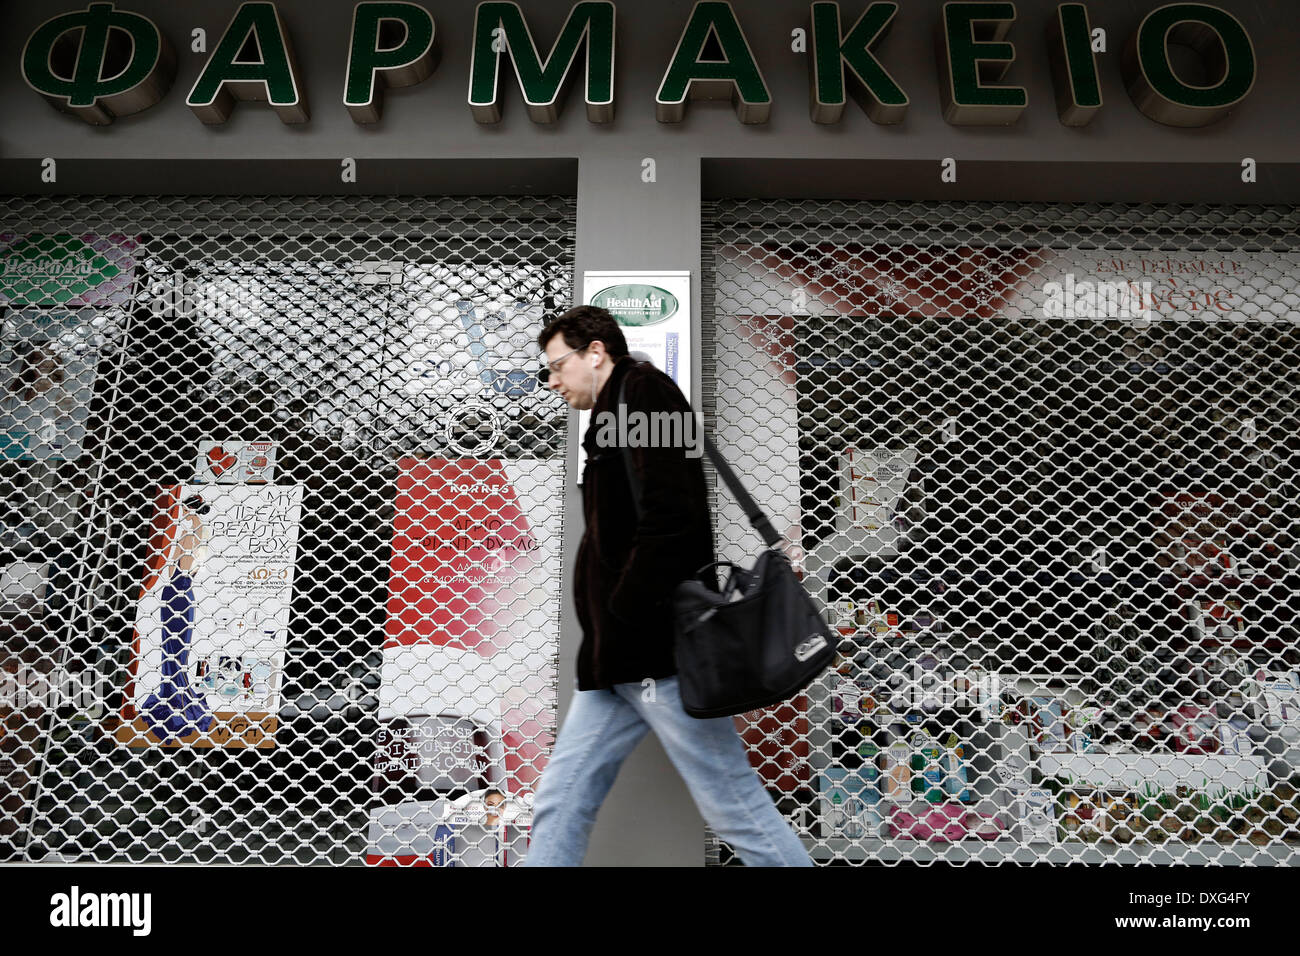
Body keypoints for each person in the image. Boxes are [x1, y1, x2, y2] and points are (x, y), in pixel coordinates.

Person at [523, 305, 811, 866]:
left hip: (652, 654)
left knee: (736, 808)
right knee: (561, 800)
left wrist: (625, 608)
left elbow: (673, 520)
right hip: (618, 663)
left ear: (596, 352)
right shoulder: (617, 408)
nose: (553, 381)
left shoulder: (646, 395)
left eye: (557, 365)